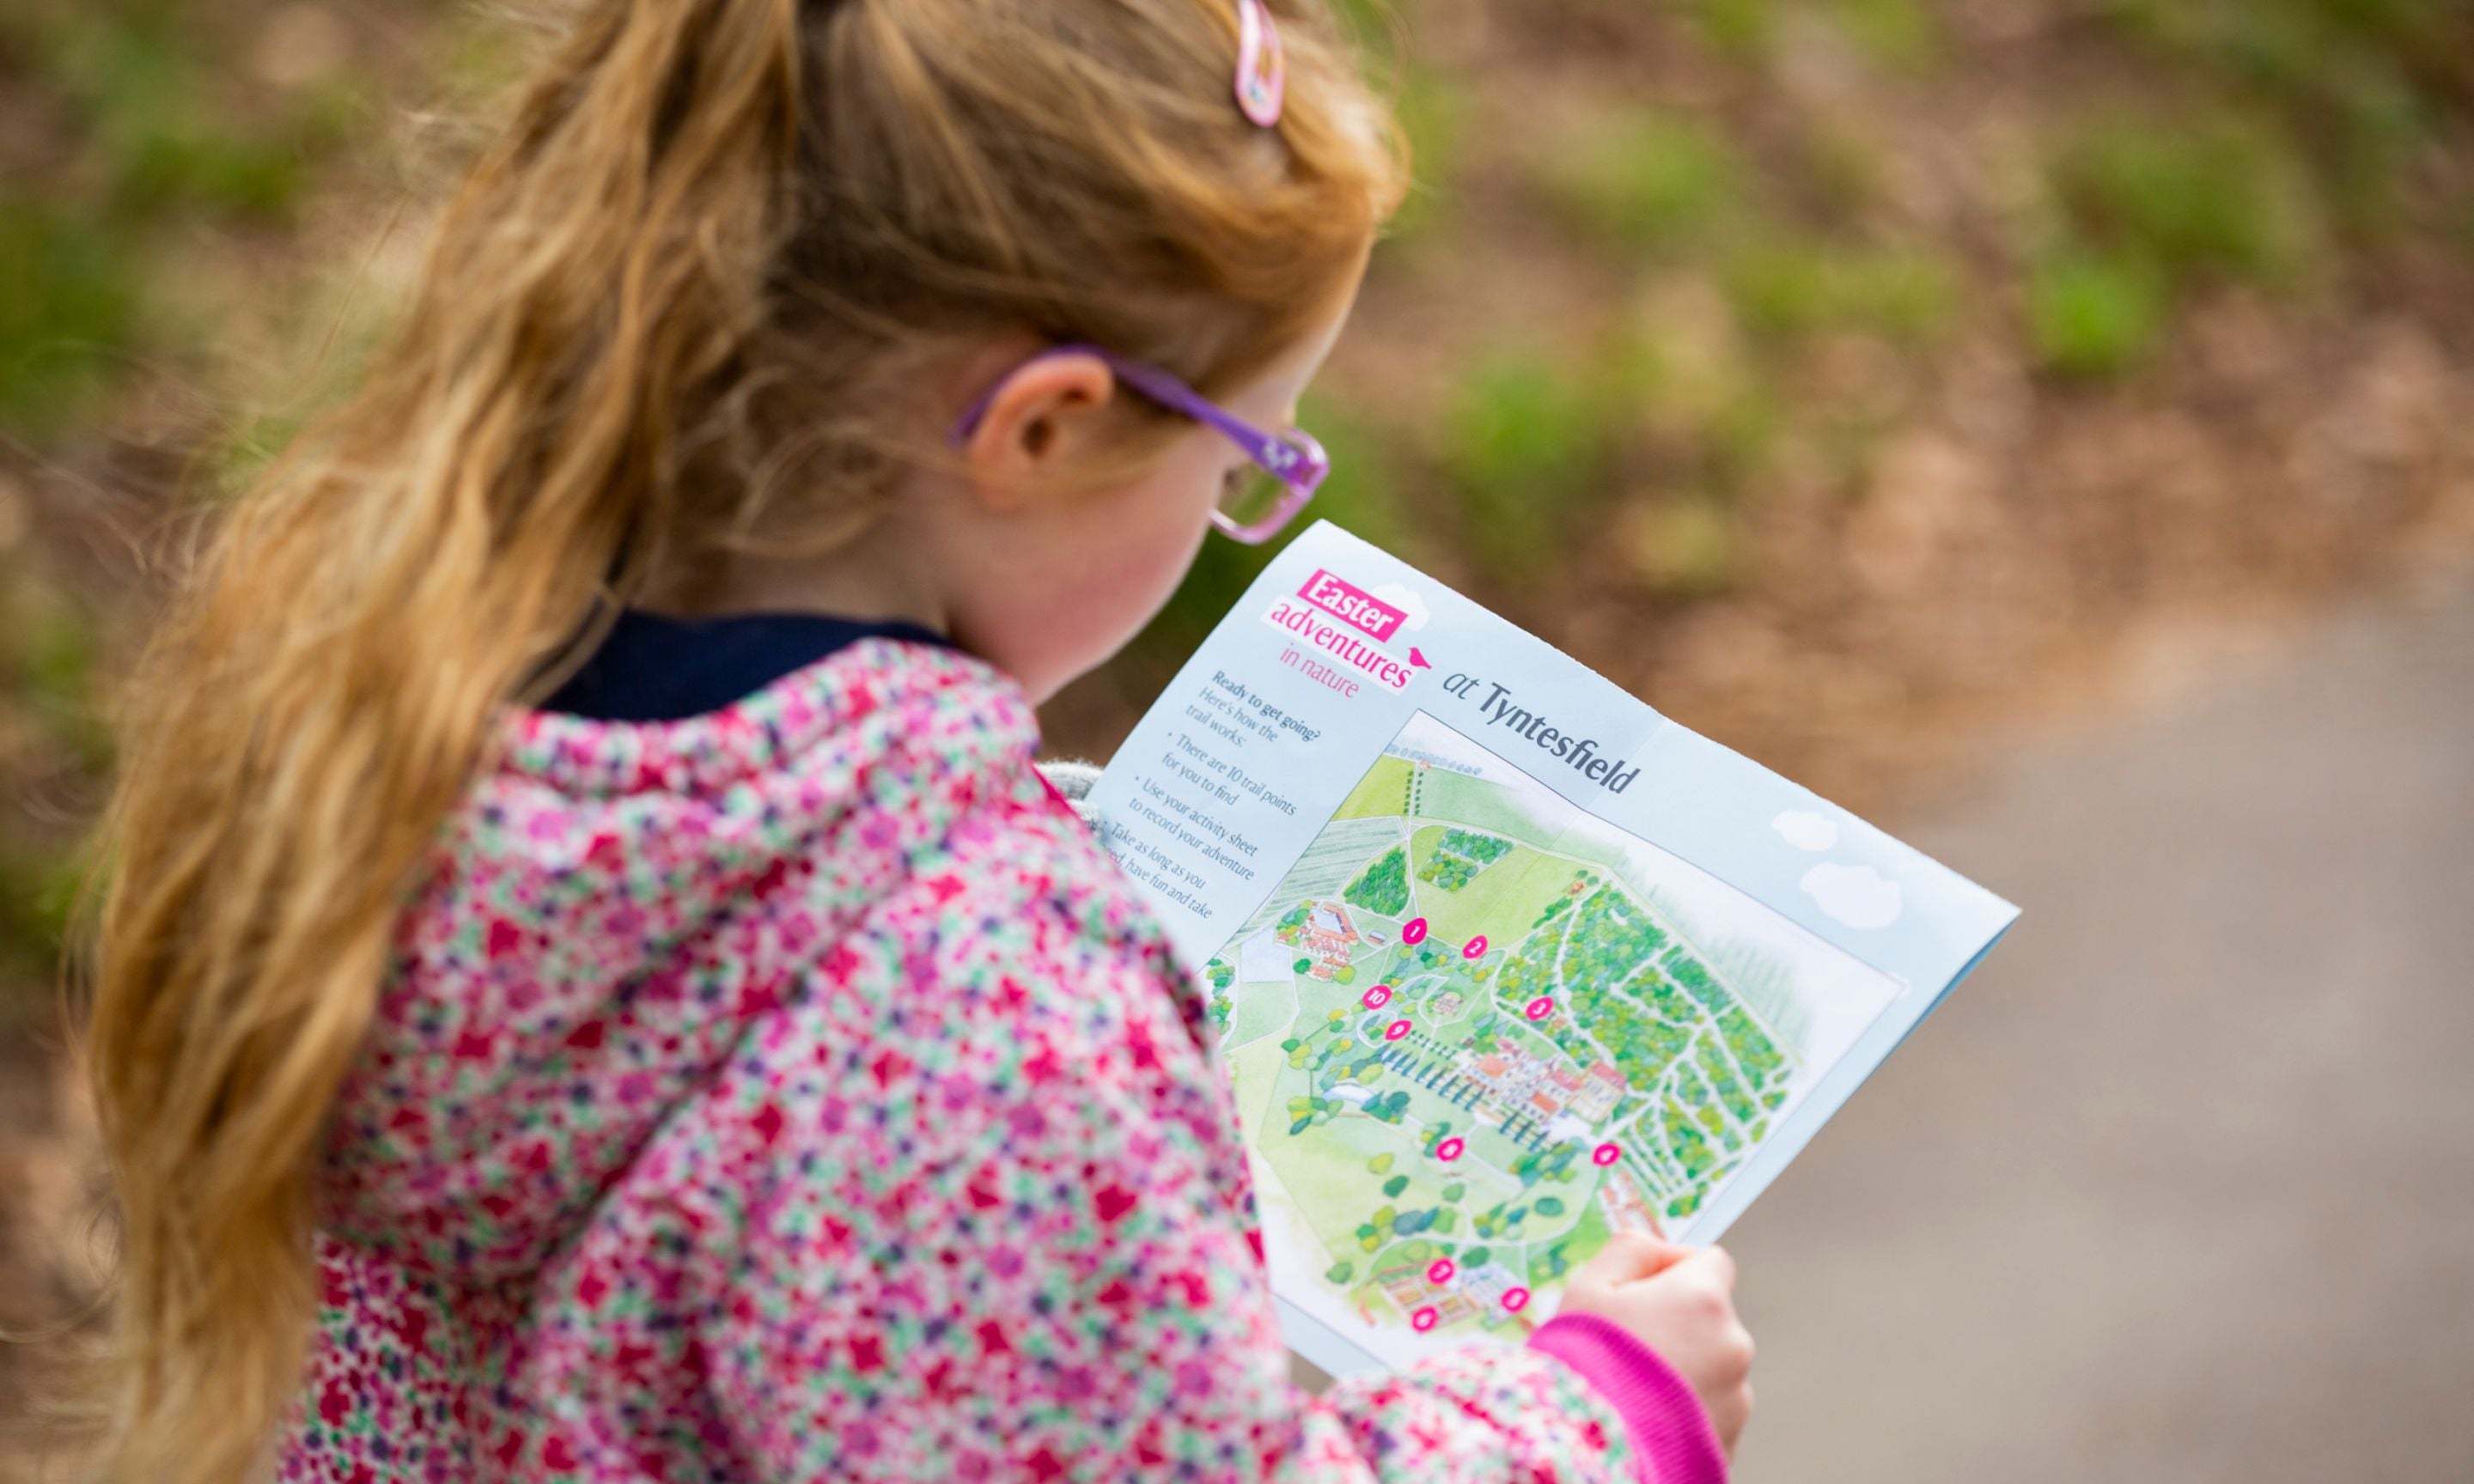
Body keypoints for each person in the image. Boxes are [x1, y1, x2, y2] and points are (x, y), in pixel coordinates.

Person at [77, 1, 1755, 1481]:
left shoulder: (369, 714)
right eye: (1252, 460)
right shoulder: (984, 1017)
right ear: (1043, 425)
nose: (1249, 499)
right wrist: (1599, 1418)